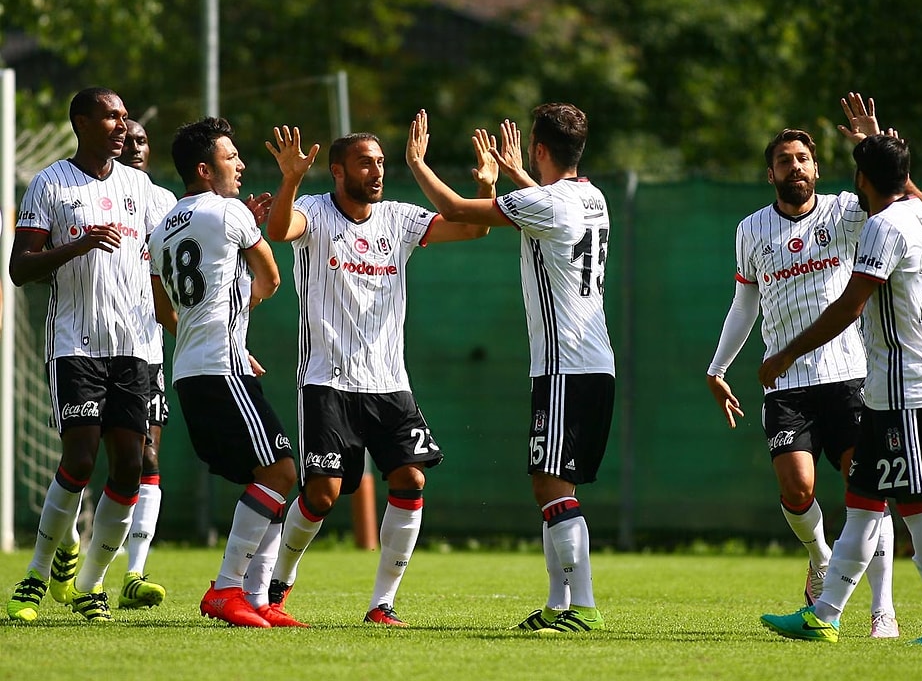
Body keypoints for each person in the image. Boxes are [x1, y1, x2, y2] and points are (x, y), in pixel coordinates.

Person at [263, 113, 496, 627]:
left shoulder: (399, 218)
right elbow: (279, 229)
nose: (377, 171)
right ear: (339, 171)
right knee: (321, 494)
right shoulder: (314, 213)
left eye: (382, 163)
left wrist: (485, 183)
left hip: (391, 385)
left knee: (411, 480)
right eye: (366, 163)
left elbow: (474, 226)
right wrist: (290, 177)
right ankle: (276, 585)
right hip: (327, 381)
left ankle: (382, 603)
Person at [705, 94, 922, 638]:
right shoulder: (750, 229)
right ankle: (821, 558)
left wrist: (878, 148)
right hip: (786, 385)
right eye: (784, 160)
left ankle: (883, 610)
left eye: (803, 158)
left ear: (817, 167)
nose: (795, 167)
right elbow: (744, 303)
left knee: (868, 493)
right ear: (770, 173)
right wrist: (718, 367)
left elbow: (907, 205)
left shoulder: (847, 210)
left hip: (852, 377)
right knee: (798, 489)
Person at [405, 104, 615, 634]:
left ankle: (583, 608)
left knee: (550, 486)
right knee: (559, 486)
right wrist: (518, 172)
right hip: (594, 363)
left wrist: (416, 163)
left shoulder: (546, 204)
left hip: (565, 365)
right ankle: (557, 608)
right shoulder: (593, 196)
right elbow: (545, 204)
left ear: (541, 149)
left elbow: (455, 208)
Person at [759, 134, 922, 645]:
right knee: (861, 504)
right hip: (882, 390)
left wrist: (787, 351)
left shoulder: (882, 226)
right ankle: (824, 616)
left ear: (862, 180)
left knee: (919, 510)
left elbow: (849, 306)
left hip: (908, 390)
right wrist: (880, 148)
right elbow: (910, 195)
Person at [6, 87, 161, 623]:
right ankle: (34, 574)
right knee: (79, 459)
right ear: (82, 122)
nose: (123, 125)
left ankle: (91, 585)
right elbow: (20, 268)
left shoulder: (141, 187)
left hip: (136, 348)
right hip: (76, 344)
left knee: (128, 468)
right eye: (111, 117)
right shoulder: (49, 184)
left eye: (125, 117)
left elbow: (186, 229)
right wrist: (77, 245)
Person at [148, 116, 299, 629]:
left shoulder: (163, 225)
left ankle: (255, 600)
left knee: (270, 480)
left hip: (191, 371)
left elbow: (165, 309)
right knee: (281, 475)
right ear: (203, 168)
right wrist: (243, 313)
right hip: (223, 369)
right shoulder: (229, 212)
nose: (240, 163)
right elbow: (271, 277)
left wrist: (218, 332)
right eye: (231, 156)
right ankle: (227, 590)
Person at [111, 118, 176, 607]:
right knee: (84, 457)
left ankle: (134, 573)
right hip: (88, 347)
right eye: (127, 138)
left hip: (146, 349)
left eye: (142, 140)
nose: (135, 146)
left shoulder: (165, 203)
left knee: (146, 456)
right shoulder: (88, 193)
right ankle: (67, 551)